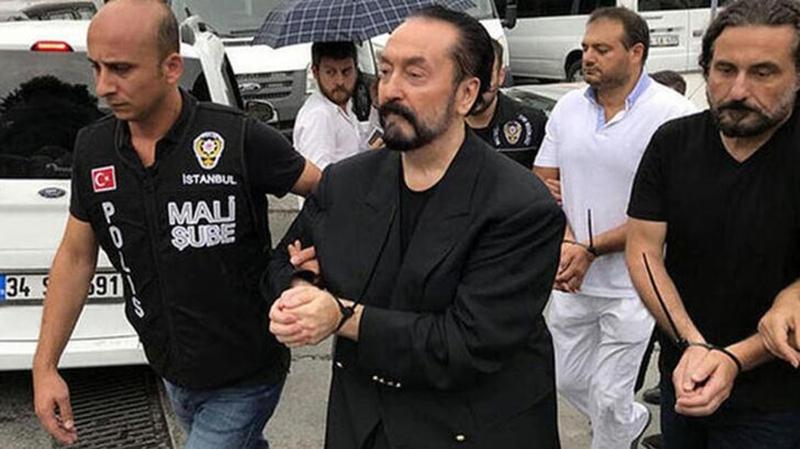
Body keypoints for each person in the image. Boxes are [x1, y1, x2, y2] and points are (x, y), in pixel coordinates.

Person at [267, 6, 565, 449]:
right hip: (363, 423)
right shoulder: (346, 183)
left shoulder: (519, 206)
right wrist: (302, 287)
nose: (390, 90)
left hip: (471, 429)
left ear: (466, 94)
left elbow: (464, 344)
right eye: (386, 70)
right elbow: (283, 259)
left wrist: (340, 315)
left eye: (415, 74)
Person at [31, 1, 320, 447]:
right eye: (96, 68)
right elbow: (75, 258)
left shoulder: (235, 137)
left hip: (246, 372)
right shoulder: (94, 150)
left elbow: (328, 192)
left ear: (170, 67)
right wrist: (45, 366)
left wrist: (296, 264)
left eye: (121, 69)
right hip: (171, 370)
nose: (104, 87)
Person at [626, 1, 800, 448]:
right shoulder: (672, 144)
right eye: (724, 69)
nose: (738, 90)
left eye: (763, 72)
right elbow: (643, 249)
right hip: (685, 377)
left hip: (780, 400)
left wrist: (736, 358)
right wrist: (694, 345)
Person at [533, 7, 696, 449]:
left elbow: (672, 209)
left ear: (636, 52)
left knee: (608, 395)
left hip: (635, 283)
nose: (588, 57)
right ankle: (630, 423)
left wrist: (591, 247)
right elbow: (544, 180)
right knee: (564, 379)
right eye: (586, 47)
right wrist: (571, 242)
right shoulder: (568, 108)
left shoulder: (673, 114)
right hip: (571, 276)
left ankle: (614, 436)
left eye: (602, 49)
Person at [466, 39, 547, 169]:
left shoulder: (533, 124)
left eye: (485, 76)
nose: (476, 88)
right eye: (469, 74)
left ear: (500, 76)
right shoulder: (440, 125)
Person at [293, 41, 368, 170]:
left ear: (356, 70)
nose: (340, 81)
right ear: (315, 72)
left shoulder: (345, 106)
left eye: (346, 72)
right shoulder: (319, 116)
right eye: (330, 72)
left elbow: (355, 150)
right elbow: (319, 175)